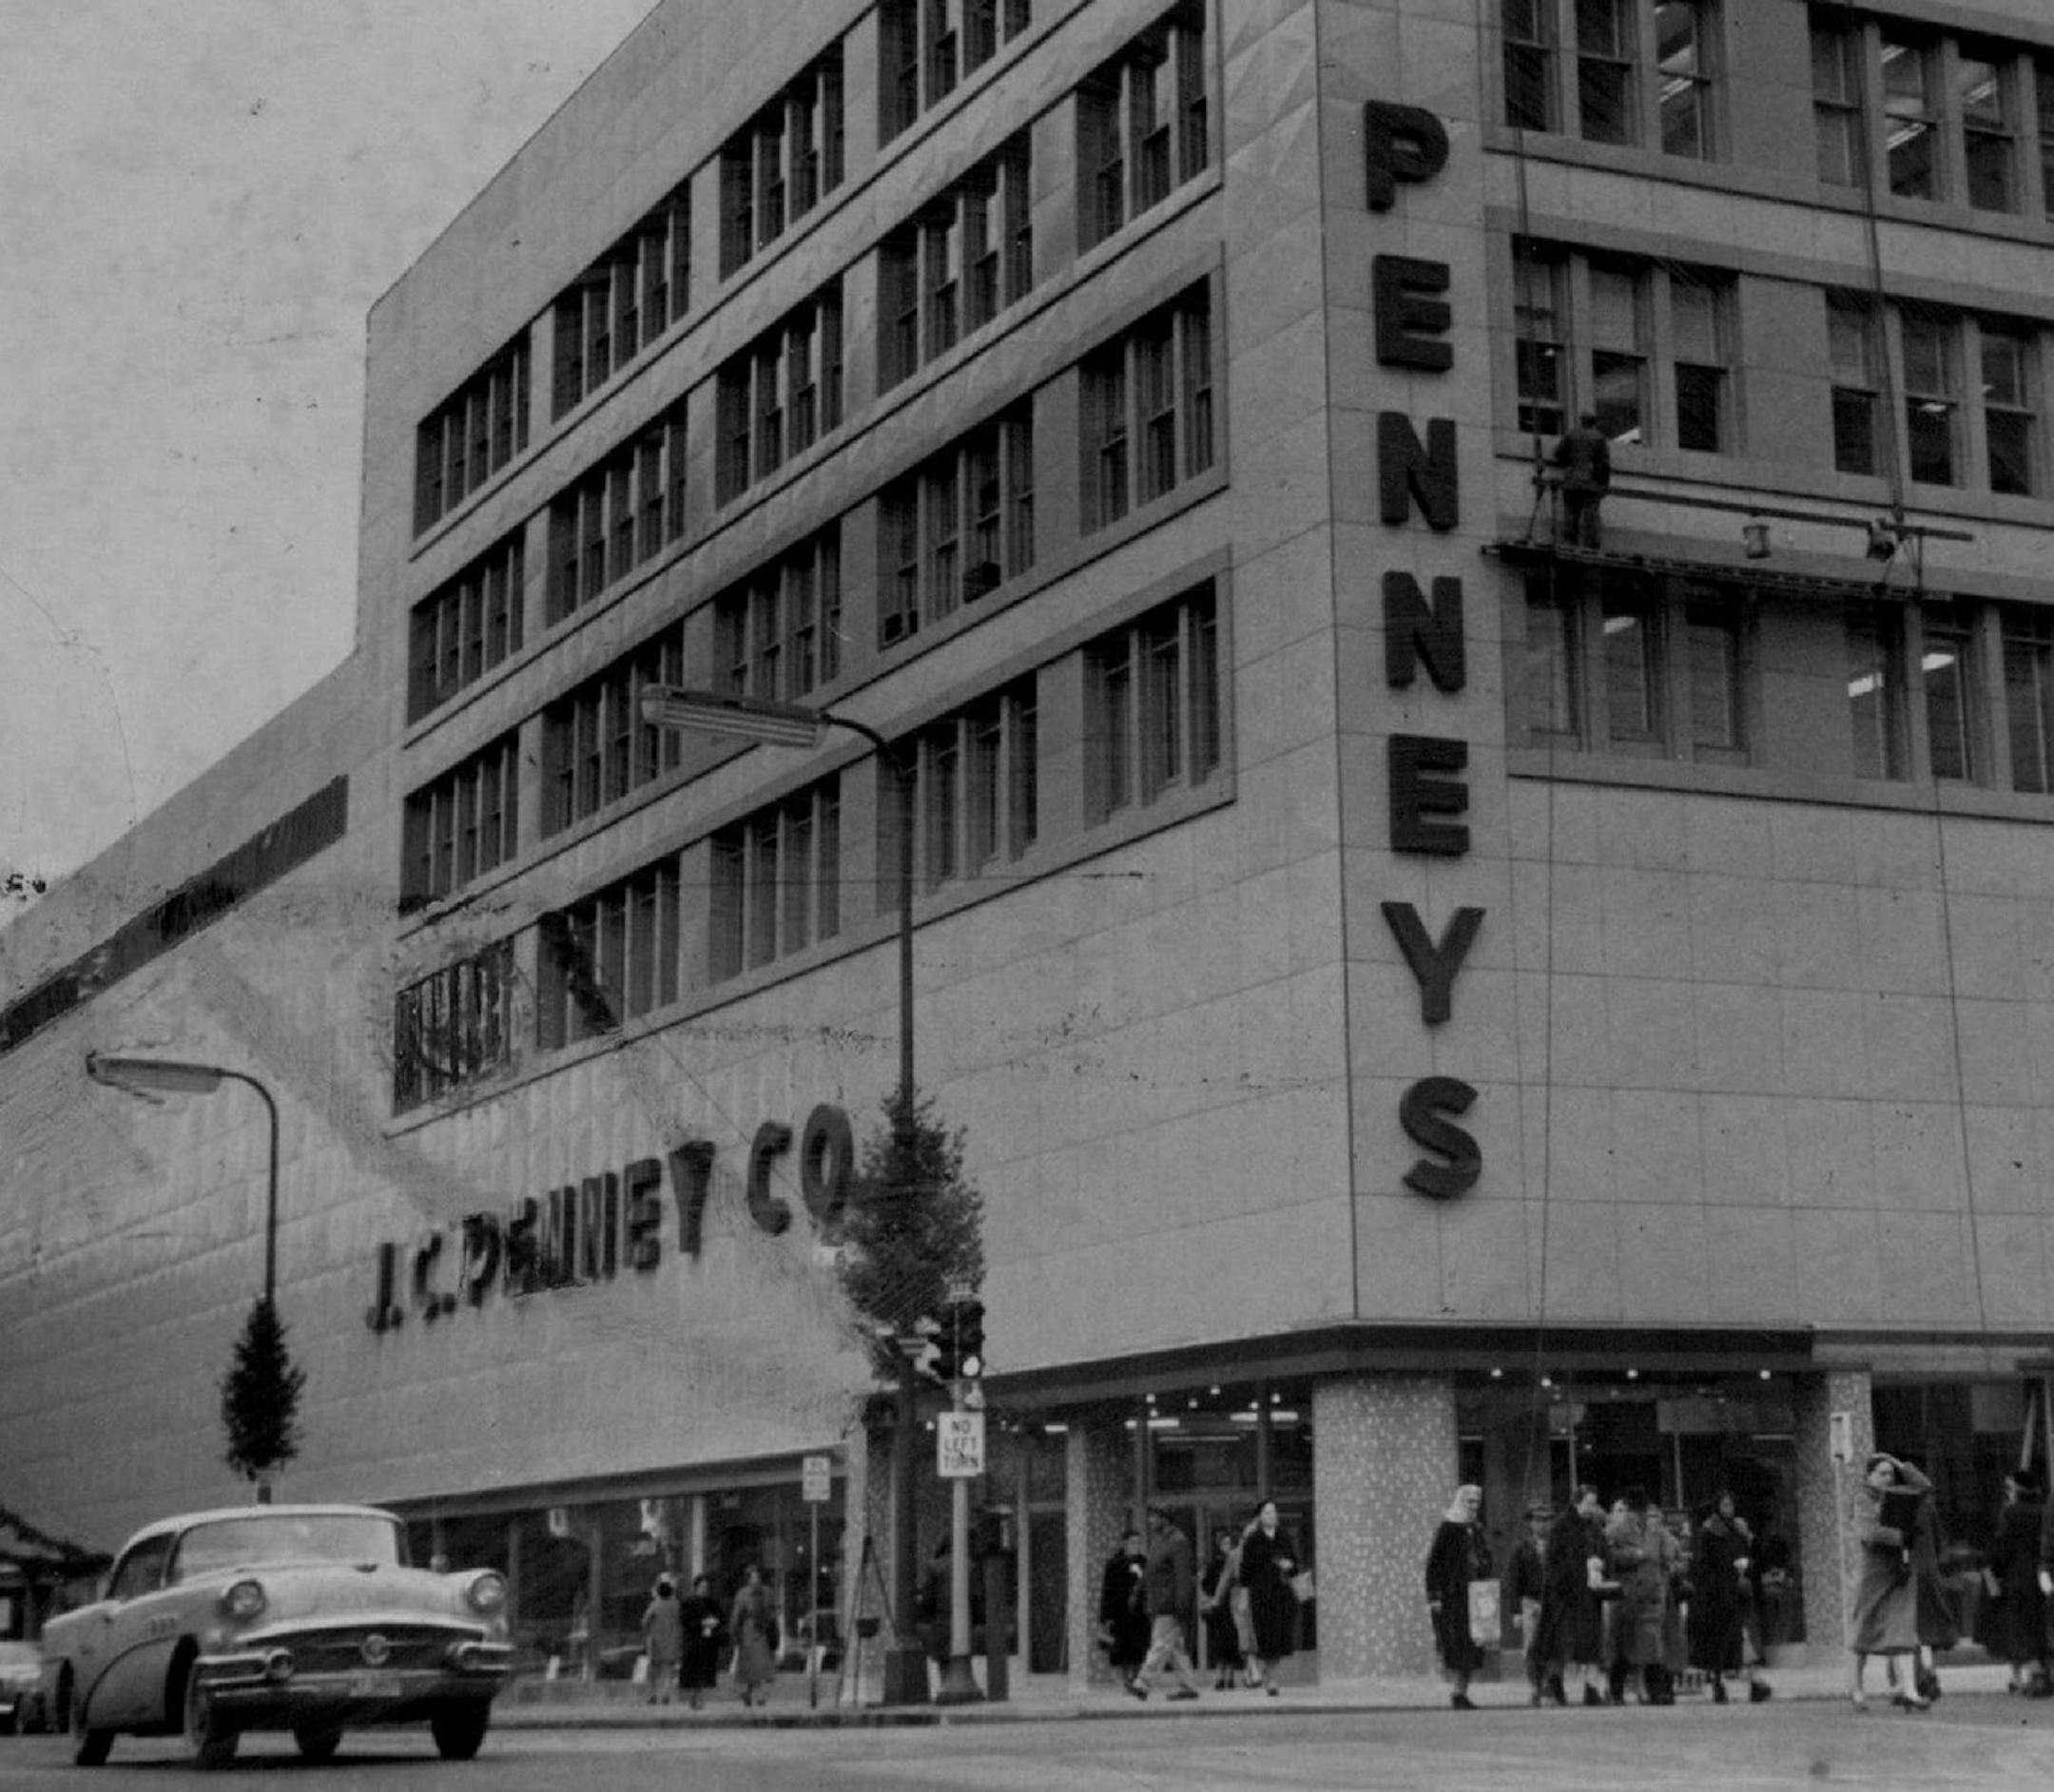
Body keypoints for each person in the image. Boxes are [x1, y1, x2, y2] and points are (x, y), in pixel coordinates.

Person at [1850, 1453, 1929, 1712]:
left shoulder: (1900, 1495)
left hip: (1900, 1571)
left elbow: (1925, 1487)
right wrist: (1902, 1536)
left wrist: (1899, 1463)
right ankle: (1857, 1688)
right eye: (1881, 1473)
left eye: (1889, 1474)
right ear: (1868, 1476)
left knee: (1903, 1631)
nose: (1887, 1478)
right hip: (1874, 1574)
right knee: (1863, 1633)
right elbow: (1869, 1533)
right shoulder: (1863, 1499)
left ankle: (1910, 1690)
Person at [1690, 1492, 1772, 1704]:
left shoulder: (1738, 1529)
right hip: (1719, 1596)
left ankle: (1754, 1683)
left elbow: (1753, 1556)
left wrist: (1748, 1561)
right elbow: (1702, 1565)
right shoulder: (1709, 1532)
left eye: (1731, 1504)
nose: (1729, 1508)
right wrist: (1722, 1580)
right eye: (1725, 1504)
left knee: (1743, 1639)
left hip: (1740, 1593)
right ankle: (1720, 1683)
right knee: (1723, 1643)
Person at [1533, 1485, 1609, 1706]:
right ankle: (1555, 1684)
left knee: (1591, 1645)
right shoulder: (1561, 1527)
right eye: (1588, 1503)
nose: (1592, 1509)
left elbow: (1605, 1552)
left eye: (1594, 1504)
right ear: (1576, 1502)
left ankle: (1591, 1689)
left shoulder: (1594, 1528)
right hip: (1565, 1597)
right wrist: (1573, 1573)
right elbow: (1553, 1562)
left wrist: (1602, 1565)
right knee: (1561, 1644)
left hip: (1590, 1595)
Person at [1605, 1487, 1676, 1705]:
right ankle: (1615, 1690)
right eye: (1635, 1511)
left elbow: (1667, 1559)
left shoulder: (1656, 1532)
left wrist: (1660, 1581)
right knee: (1625, 1647)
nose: (1638, 1515)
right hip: (1627, 1596)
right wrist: (1631, 1556)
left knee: (1652, 1645)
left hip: (1651, 1594)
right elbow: (1606, 1556)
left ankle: (1656, 1692)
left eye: (1641, 1511)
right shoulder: (1616, 1530)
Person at [1425, 1484, 1493, 1710]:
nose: (1474, 1507)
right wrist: (1435, 1595)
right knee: (1456, 1644)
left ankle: (1463, 1691)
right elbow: (1434, 1564)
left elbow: (1484, 1557)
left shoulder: (1476, 1529)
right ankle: (1457, 1691)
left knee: (1473, 1645)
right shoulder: (1449, 1528)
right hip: (1454, 1597)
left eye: (1477, 1502)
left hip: (1476, 1595)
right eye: (1470, 1502)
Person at [1129, 1508, 1203, 1700]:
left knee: (1160, 1645)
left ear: (1165, 1519)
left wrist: (1182, 1604)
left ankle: (1142, 1683)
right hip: (1158, 1601)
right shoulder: (1158, 1541)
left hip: (1169, 1603)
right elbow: (1150, 1571)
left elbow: (1183, 1576)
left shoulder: (1179, 1542)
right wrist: (1138, 1591)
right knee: (1175, 1648)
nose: (1151, 1520)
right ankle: (1188, 1687)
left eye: (1154, 1517)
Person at [1987, 1467, 2049, 1695]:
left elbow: (2001, 1547)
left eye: (2009, 1487)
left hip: (2016, 1577)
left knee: (2018, 1628)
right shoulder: (2043, 1511)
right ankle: (2039, 1673)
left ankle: (2031, 1675)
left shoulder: (2010, 1513)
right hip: (2041, 1576)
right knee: (2039, 1627)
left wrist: (1995, 1569)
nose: (2007, 1492)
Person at [1237, 1500, 1302, 1696]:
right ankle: (1271, 1679)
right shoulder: (1253, 1539)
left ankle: (1268, 1671)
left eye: (1274, 1512)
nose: (1272, 1515)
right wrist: (1244, 1596)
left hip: (1282, 1594)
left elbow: (1295, 1564)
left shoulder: (1283, 1536)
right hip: (1261, 1595)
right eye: (1267, 1512)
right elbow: (1244, 1572)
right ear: (1259, 1516)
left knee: (1281, 1637)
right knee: (1266, 1636)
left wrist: (1289, 1565)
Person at [1502, 1503, 1551, 1705]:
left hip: (1550, 1602)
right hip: (1530, 1602)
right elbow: (1513, 1580)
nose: (1542, 1525)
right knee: (1531, 1646)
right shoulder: (1522, 1548)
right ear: (1531, 1523)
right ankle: (1534, 1686)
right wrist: (1515, 1610)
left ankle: (1549, 1683)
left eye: (1546, 1520)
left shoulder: (1556, 1546)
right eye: (1538, 1520)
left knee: (1549, 1646)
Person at [1097, 1528, 1151, 1692]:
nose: (1135, 1546)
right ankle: (1127, 1680)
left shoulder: (1143, 1562)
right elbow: (1107, 1590)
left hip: (1139, 1613)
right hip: (1120, 1613)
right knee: (1122, 1650)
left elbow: (1149, 1587)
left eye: (1138, 1542)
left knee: (1139, 1648)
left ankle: (1135, 1678)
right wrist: (1105, 1616)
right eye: (1132, 1542)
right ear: (1125, 1543)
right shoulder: (1114, 1563)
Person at [1552, 412, 1611, 548]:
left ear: (1582, 421)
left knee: (1571, 513)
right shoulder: (1599, 438)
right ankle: (1592, 544)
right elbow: (1604, 464)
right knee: (1591, 513)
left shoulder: (1571, 435)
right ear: (1593, 422)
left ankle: (1570, 542)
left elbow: (1559, 455)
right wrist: (1604, 483)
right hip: (1591, 480)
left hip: (1571, 479)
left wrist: (1570, 463)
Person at [1198, 1528, 1246, 1690]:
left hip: (1233, 1608)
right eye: (1224, 1543)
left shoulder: (1238, 1562)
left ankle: (1231, 1677)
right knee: (1219, 1645)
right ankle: (1219, 1677)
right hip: (1219, 1610)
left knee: (1232, 1644)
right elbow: (1206, 1584)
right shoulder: (1215, 1564)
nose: (1227, 1546)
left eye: (1230, 1543)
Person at [728, 1564, 779, 1707]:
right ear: (748, 1580)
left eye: (757, 1577)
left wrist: (773, 1625)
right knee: (751, 1666)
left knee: (762, 1664)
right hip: (749, 1631)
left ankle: (761, 1695)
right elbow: (736, 1615)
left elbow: (773, 1611)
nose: (756, 1580)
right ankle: (750, 1693)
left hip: (763, 1630)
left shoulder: (767, 1592)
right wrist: (734, 1632)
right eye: (752, 1577)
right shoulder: (743, 1594)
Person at [678, 1572, 725, 1708]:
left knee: (704, 1672)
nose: (704, 1589)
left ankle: (700, 1698)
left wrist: (715, 1622)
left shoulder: (712, 1602)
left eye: (706, 1587)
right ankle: (695, 1698)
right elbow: (686, 1622)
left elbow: (721, 1617)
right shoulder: (688, 1603)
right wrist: (703, 1623)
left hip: (708, 1642)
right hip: (694, 1642)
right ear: (696, 1587)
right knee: (694, 1672)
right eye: (702, 1586)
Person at [640, 1574, 684, 1705]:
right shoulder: (676, 1605)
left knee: (654, 1671)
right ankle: (666, 1694)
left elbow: (645, 1621)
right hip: (672, 1641)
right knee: (668, 1670)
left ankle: (653, 1694)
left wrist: (647, 1632)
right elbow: (681, 1622)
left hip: (656, 1643)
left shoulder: (655, 1605)